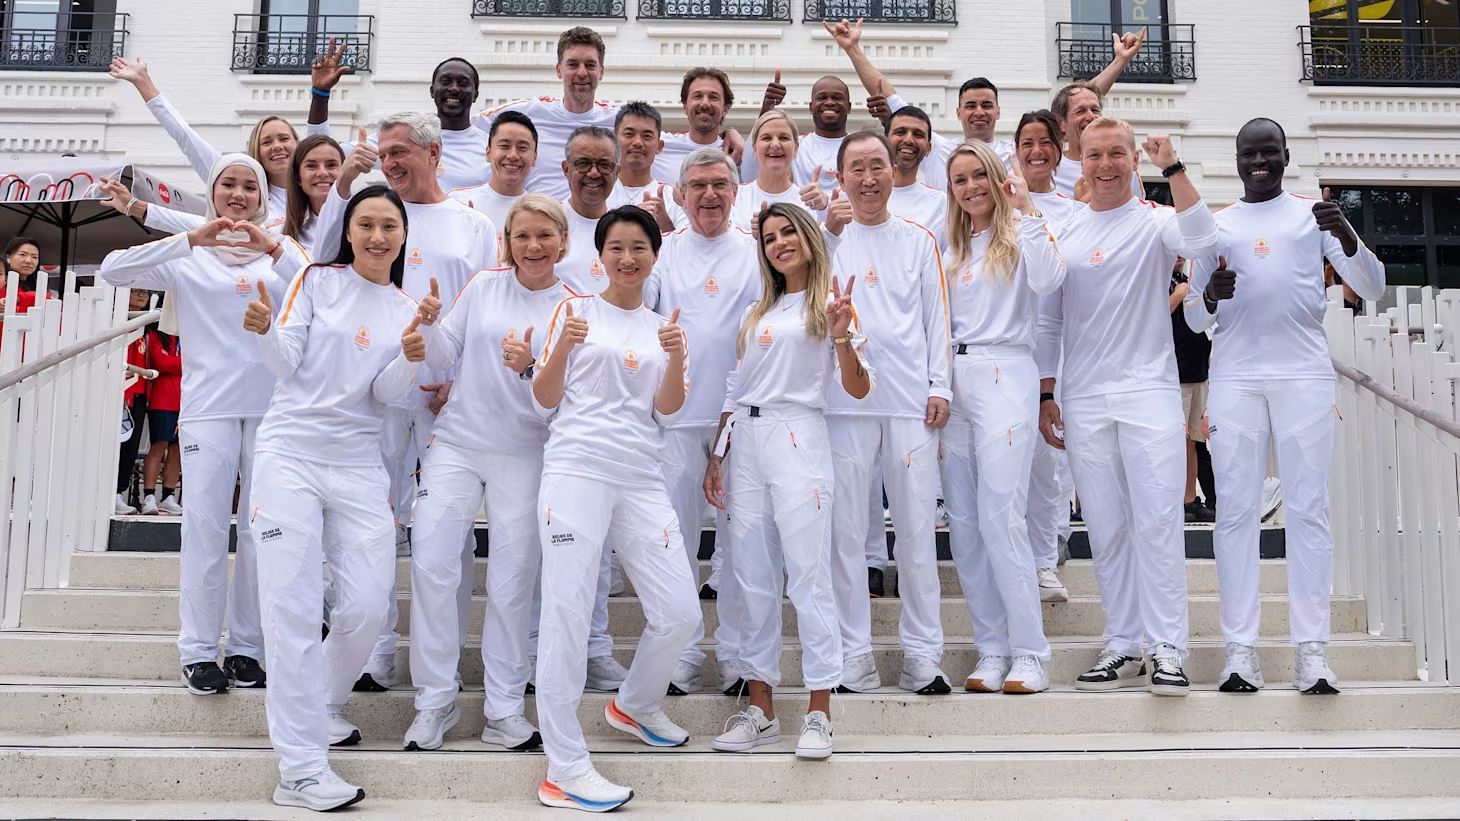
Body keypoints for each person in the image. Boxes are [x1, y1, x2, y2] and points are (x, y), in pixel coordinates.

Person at [1185, 117, 1384, 695]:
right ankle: (1240, 651)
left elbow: (1370, 287)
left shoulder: (1312, 216)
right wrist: (1210, 297)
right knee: (1239, 511)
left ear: (1286, 154)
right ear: (1237, 158)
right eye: (1250, 153)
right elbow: (1196, 318)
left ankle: (1312, 651)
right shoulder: (1217, 226)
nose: (1260, 162)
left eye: (1269, 152)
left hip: (1303, 374)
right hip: (1236, 379)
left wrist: (1345, 235)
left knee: (1308, 508)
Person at [245, 184, 425, 812]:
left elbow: (391, 396)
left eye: (390, 227)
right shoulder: (317, 281)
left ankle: (317, 703)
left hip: (357, 463)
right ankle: (298, 771)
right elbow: (285, 363)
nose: (379, 236)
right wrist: (266, 332)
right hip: (291, 453)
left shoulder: (406, 306)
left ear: (403, 238)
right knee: (291, 611)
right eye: (367, 224)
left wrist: (409, 355)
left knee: (368, 607)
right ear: (349, 231)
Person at [100, 154, 301, 696]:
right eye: (228, 186)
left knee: (262, 532)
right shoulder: (186, 258)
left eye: (249, 188)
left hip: (272, 412)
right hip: (207, 409)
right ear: (213, 195)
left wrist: (272, 247)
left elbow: (316, 290)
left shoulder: (277, 254)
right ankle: (196, 649)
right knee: (206, 529)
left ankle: (245, 647)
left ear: (262, 198)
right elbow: (113, 268)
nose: (238, 195)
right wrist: (189, 238)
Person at [314, 111, 500, 691]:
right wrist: (345, 182)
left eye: (400, 152)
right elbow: (322, 260)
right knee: (372, 518)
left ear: (433, 153)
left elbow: (487, 311)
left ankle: (441, 652)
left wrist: (463, 383)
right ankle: (373, 653)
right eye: (384, 153)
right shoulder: (370, 212)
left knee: (448, 530)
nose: (390, 162)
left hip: (447, 401)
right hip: (375, 392)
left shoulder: (471, 224)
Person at [1035, 119, 1219, 696]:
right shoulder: (1063, 224)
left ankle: (1168, 648)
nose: (1107, 164)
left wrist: (1174, 167)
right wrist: (1047, 391)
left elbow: (1204, 239)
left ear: (1132, 160)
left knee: (1158, 522)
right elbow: (1049, 315)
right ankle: (1122, 644)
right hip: (1085, 396)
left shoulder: (1156, 221)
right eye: (1095, 155)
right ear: (1080, 160)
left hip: (1148, 391)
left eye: (1117, 153)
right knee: (1109, 527)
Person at [532, 206, 700, 812]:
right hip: (577, 468)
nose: (628, 259)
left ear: (655, 256)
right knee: (568, 613)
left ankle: (633, 703)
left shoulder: (664, 325)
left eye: (640, 248)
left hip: (640, 474)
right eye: (617, 248)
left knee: (680, 612)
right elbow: (543, 399)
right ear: (599, 255)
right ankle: (565, 766)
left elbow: (670, 410)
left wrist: (677, 357)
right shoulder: (574, 312)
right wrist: (560, 351)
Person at [401, 195, 576, 753]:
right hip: (456, 443)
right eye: (521, 236)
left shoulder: (575, 308)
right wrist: (427, 326)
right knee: (431, 565)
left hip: (526, 454)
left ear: (563, 242)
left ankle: (504, 709)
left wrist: (527, 367)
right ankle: (433, 702)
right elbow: (443, 352)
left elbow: (563, 403)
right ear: (507, 240)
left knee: (511, 583)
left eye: (543, 236)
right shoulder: (481, 286)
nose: (532, 246)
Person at [706, 202, 872, 758]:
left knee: (807, 575)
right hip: (746, 444)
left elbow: (857, 388)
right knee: (752, 576)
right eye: (769, 236)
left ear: (806, 236)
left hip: (799, 434)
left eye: (787, 233)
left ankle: (820, 712)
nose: (779, 243)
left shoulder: (831, 305)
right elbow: (735, 386)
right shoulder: (758, 312)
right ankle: (761, 709)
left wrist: (844, 335)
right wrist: (717, 453)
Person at [824, 131, 951, 694]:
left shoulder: (920, 239)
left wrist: (939, 385)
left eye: (878, 166)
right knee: (846, 535)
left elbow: (937, 319)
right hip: (844, 405)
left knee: (917, 534)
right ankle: (855, 654)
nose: (870, 178)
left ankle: (923, 653)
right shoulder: (826, 239)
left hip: (908, 406)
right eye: (858, 168)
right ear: (841, 177)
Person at [939, 141, 1066, 694]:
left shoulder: (1020, 239)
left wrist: (1026, 209)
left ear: (996, 178)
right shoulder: (950, 250)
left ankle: (1031, 652)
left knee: (1000, 516)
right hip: (953, 381)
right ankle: (991, 648)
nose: (970, 188)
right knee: (964, 526)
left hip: (1006, 373)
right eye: (959, 180)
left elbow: (1049, 281)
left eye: (978, 177)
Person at [643, 148, 759, 695]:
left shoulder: (757, 254)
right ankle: (682, 656)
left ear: (736, 192)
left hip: (741, 421)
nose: (709, 194)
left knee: (739, 544)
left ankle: (737, 656)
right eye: (698, 185)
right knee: (677, 542)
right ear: (681, 195)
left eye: (720, 184)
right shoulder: (661, 254)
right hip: (676, 421)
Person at [110, 56, 298, 218]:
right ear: (256, 151)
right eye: (266, 141)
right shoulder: (232, 177)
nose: (277, 146)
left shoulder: (314, 187)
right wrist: (143, 83)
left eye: (283, 138)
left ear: (298, 145)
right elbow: (186, 136)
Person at [1016, 110, 1077, 603]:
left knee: (1048, 464)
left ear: (1059, 150)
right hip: (1004, 351)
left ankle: (1044, 559)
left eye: (1045, 142)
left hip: (1058, 353)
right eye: (1027, 142)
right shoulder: (995, 204)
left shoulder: (1072, 211)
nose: (1036, 150)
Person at [308, 49, 492, 192]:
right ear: (431, 91)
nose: (454, 89)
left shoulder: (491, 148)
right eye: (445, 81)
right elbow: (318, 150)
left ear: (475, 94)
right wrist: (320, 95)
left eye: (463, 83)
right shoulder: (404, 138)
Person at [477, 27, 618, 201]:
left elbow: (658, 143)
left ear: (601, 72)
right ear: (559, 70)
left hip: (596, 225)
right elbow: (470, 128)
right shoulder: (531, 111)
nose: (582, 73)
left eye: (590, 65)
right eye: (573, 64)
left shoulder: (620, 122)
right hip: (535, 223)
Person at [1169, 257, 1216, 523]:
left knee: (1195, 440)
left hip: (1198, 371)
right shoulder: (1159, 283)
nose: (1178, 257)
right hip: (1175, 373)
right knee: (1178, 440)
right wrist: (1177, 296)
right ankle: (1177, 499)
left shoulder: (1187, 281)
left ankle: (1190, 499)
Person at [730, 110, 829, 231]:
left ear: (796, 148)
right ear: (754, 148)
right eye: (766, 138)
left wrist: (824, 209)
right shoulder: (735, 196)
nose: (775, 144)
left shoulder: (810, 202)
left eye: (784, 138)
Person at [555, 126, 621, 295]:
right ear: (566, 169)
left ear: (617, 172)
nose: (593, 173)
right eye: (583, 164)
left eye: (604, 165)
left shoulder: (627, 228)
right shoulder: (547, 223)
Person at [450, 110, 539, 232]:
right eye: (504, 146)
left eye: (522, 148)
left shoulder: (542, 211)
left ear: (534, 157)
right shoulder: (458, 202)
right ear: (488, 153)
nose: (513, 155)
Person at [606, 102, 688, 232]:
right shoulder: (597, 194)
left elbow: (687, 247)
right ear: (614, 141)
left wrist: (665, 224)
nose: (638, 142)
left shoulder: (672, 198)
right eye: (629, 134)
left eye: (647, 136)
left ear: (659, 147)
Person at [653, 67, 742, 183]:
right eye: (697, 96)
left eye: (713, 97)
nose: (705, 103)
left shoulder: (738, 154)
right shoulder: (658, 145)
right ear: (685, 106)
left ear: (725, 108)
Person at [884, 106, 947, 250]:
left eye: (918, 134)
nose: (908, 139)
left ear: (928, 148)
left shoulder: (941, 204)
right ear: (885, 141)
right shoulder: (861, 195)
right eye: (900, 132)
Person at [140, 316, 184, 516]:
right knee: (159, 446)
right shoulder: (156, 333)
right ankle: (148, 495)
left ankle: (168, 496)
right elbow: (161, 362)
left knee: (177, 449)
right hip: (162, 399)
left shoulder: (188, 335)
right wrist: (186, 363)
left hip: (186, 401)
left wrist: (175, 362)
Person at [116, 288, 152, 515]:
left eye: (145, 292)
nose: (140, 296)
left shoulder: (149, 324)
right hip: (119, 391)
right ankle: (107, 491)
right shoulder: (116, 321)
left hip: (140, 392)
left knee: (131, 447)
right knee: (115, 445)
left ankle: (120, 492)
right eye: (136, 291)